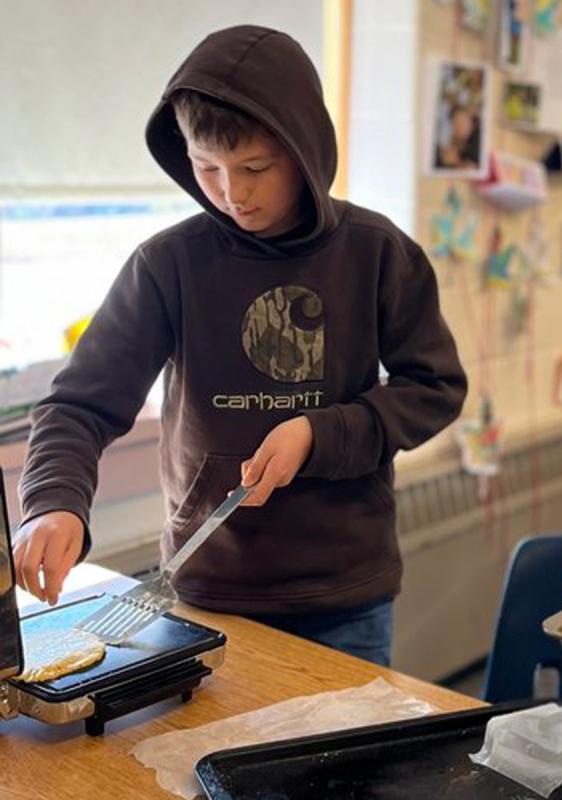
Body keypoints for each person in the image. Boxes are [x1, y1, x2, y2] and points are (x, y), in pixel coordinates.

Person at [12, 26, 467, 667]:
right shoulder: (168, 264)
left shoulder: (378, 252)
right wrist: (54, 504)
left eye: (255, 168)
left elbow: (435, 388)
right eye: (207, 169)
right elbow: (78, 406)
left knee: (344, 762)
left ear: (304, 151)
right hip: (206, 592)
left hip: (345, 597)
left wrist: (322, 432)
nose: (233, 193)